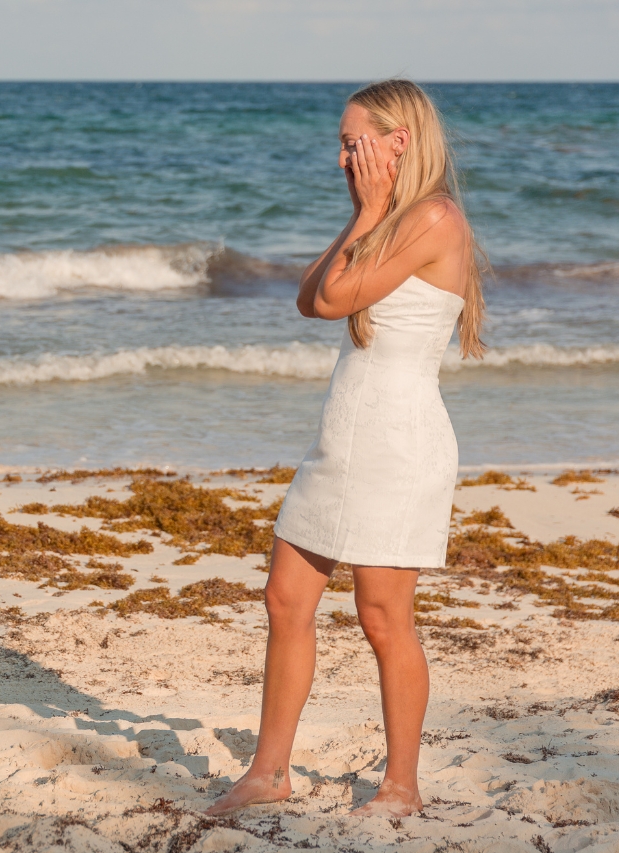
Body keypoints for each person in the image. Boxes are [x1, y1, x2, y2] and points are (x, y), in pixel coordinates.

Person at [207, 80, 486, 818]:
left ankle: (402, 786)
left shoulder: (433, 217)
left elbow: (335, 301)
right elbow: (309, 297)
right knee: (286, 595)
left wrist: (366, 212)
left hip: (397, 437)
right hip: (344, 431)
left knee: (383, 615)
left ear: (399, 141)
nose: (340, 156)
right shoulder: (388, 219)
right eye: (340, 142)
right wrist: (361, 217)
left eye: (351, 140)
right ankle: (268, 771)